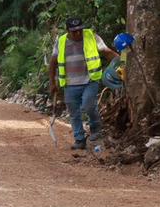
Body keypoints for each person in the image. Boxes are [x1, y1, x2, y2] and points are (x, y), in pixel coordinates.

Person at [50, 17, 119, 151]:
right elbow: (53, 63)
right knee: (74, 112)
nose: (77, 34)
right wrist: (52, 82)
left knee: (88, 106)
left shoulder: (92, 37)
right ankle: (79, 139)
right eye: (74, 31)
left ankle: (95, 130)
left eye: (79, 30)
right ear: (67, 31)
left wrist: (121, 63)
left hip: (89, 81)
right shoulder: (61, 41)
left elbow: (107, 52)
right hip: (70, 84)